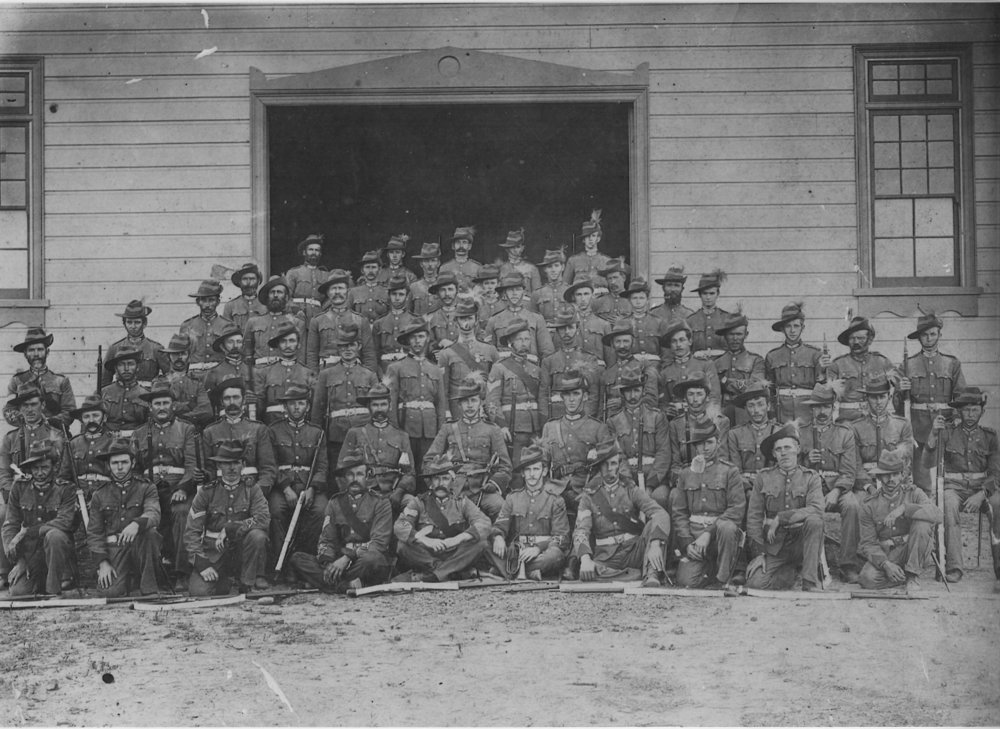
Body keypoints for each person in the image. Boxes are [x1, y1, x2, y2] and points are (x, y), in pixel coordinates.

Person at [289, 448, 392, 592]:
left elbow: (379, 543)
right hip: (341, 562)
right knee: (298, 558)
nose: (355, 479)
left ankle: (330, 584)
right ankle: (347, 585)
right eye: (350, 474)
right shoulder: (335, 503)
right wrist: (329, 563)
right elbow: (327, 540)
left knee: (373, 559)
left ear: (367, 477)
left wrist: (347, 558)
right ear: (344, 478)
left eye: (359, 474)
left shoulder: (381, 503)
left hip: (364, 560)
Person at [570, 439, 670, 586]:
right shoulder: (588, 495)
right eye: (605, 464)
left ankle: (651, 575)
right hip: (607, 557)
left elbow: (660, 514)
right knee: (588, 571)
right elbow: (581, 531)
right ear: (598, 466)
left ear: (619, 465)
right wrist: (585, 559)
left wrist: (655, 544)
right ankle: (635, 575)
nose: (610, 468)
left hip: (634, 551)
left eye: (613, 463)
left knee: (653, 527)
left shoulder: (630, 488)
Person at [924, 387, 999, 583]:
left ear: (982, 411)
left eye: (975, 409)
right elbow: (927, 462)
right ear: (959, 411)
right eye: (966, 410)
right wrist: (933, 433)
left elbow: (996, 472)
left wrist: (982, 494)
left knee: (998, 506)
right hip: (954, 487)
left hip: (982, 488)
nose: (970, 414)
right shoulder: (947, 433)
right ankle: (954, 567)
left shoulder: (990, 436)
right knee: (948, 506)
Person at [745, 423, 825, 592]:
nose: (784, 452)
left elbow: (817, 509)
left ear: (797, 448)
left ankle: (809, 580)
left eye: (788, 447)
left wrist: (781, 518)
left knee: (815, 521)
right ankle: (790, 574)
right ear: (774, 454)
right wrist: (759, 554)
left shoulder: (811, 477)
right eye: (779, 449)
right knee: (756, 584)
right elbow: (754, 517)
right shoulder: (763, 477)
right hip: (775, 543)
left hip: (801, 542)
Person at [135, 383, 198, 589]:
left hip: (176, 487)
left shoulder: (186, 429)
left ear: (173, 406)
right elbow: (135, 468)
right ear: (150, 407)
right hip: (149, 489)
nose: (161, 407)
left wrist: (183, 489)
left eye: (165, 403)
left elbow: (191, 465)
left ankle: (182, 573)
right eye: (157, 404)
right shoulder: (139, 433)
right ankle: (149, 574)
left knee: (181, 512)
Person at [184, 442, 270, 594]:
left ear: (243, 465)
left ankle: (246, 583)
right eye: (226, 463)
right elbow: (191, 532)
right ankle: (224, 581)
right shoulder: (206, 492)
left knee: (258, 536)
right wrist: (202, 565)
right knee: (199, 592)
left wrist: (231, 528)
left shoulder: (252, 489)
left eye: (236, 463)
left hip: (240, 552)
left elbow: (263, 518)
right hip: (213, 552)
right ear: (218, 466)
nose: (231, 468)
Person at [896, 311, 966, 494]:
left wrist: (957, 419)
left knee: (945, 480)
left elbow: (961, 397)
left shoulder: (952, 364)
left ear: (939, 335)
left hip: (947, 426)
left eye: (933, 334)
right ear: (919, 337)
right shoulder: (908, 365)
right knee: (923, 481)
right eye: (925, 335)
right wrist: (901, 390)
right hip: (919, 429)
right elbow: (898, 406)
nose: (929, 339)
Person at [798, 381, 861, 582]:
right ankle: (802, 562)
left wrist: (837, 491)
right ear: (811, 408)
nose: (822, 411)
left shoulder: (844, 433)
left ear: (833, 407)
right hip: (808, 488)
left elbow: (849, 471)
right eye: (817, 407)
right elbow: (789, 468)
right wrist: (806, 461)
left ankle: (847, 564)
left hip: (836, 488)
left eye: (826, 406)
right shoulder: (800, 432)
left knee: (852, 505)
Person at [425, 374, 511, 521]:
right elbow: (428, 461)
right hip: (452, 489)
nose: (470, 405)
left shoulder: (492, 430)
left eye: (473, 400)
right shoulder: (448, 429)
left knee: (501, 508)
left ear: (481, 402)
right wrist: (439, 483)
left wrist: (493, 483)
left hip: (482, 489)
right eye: (465, 401)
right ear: (459, 404)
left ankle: (498, 541)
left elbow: (505, 467)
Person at [393, 454, 490, 582]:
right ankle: (450, 572)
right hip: (427, 554)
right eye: (436, 479)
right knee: (402, 546)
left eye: (445, 479)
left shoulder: (462, 502)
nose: (440, 483)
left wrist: (457, 539)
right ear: (431, 482)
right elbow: (400, 525)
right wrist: (425, 540)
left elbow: (484, 523)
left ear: (452, 481)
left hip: (454, 553)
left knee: (481, 543)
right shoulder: (419, 502)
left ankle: (432, 576)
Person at [671, 420, 745, 588]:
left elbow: (736, 509)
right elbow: (679, 512)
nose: (704, 448)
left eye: (709, 442)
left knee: (727, 527)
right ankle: (710, 568)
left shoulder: (730, 472)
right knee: (687, 581)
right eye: (699, 444)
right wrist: (687, 542)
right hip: (695, 536)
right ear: (694, 447)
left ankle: (722, 578)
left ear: (718, 443)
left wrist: (708, 533)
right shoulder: (685, 473)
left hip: (719, 537)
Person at [541, 369, 613, 536]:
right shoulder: (550, 427)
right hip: (557, 489)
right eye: (567, 395)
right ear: (562, 397)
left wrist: (591, 490)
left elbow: (608, 467)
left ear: (585, 396)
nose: (571, 399)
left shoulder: (598, 428)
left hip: (585, 489)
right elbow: (542, 464)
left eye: (576, 393)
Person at [87, 439, 162, 597]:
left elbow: (153, 513)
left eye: (124, 462)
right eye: (115, 463)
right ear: (108, 465)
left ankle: (149, 588)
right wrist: (103, 563)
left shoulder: (146, 487)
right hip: (114, 551)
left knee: (151, 534)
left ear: (133, 463)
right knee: (109, 592)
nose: (119, 467)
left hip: (139, 547)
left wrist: (137, 524)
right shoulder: (99, 494)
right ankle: (127, 581)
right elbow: (94, 533)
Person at [858, 449, 942, 591]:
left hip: (913, 548)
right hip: (889, 552)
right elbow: (868, 543)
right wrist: (886, 565)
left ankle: (913, 574)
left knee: (923, 523)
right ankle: (901, 576)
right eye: (886, 475)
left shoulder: (914, 494)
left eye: (895, 474)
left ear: (902, 475)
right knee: (867, 579)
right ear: (878, 477)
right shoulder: (869, 505)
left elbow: (938, 515)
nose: (891, 480)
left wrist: (904, 508)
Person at [1, 440, 76, 597]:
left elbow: (64, 521)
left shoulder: (66, 489)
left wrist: (28, 532)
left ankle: (53, 591)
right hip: (29, 553)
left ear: (54, 467)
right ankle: (36, 581)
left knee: (54, 534)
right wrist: (18, 559)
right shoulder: (19, 487)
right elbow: (10, 524)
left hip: (56, 553)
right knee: (18, 592)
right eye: (36, 468)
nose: (40, 473)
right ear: (29, 468)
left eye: (45, 468)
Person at [268, 384, 328, 579]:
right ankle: (281, 565)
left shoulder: (317, 433)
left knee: (320, 511)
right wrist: (285, 488)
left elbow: (322, 467)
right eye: (292, 404)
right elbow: (271, 464)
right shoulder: (274, 431)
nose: (296, 408)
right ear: (285, 407)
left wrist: (312, 488)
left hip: (308, 486)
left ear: (308, 407)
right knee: (276, 511)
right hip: (282, 487)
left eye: (301, 403)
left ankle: (303, 562)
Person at [309, 323, 377, 487]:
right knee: (338, 477)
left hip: (363, 434)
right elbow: (318, 409)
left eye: (351, 345)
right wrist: (317, 436)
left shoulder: (369, 375)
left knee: (363, 476)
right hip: (336, 435)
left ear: (359, 346)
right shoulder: (326, 375)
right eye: (343, 346)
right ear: (338, 349)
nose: (347, 349)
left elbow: (376, 407)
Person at [487, 444, 569, 580]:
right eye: (528, 470)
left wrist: (537, 548)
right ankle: (529, 570)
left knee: (556, 556)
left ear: (544, 472)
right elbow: (499, 526)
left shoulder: (555, 500)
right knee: (486, 546)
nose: (532, 474)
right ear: (523, 474)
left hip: (544, 552)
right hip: (517, 550)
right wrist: (498, 537)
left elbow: (561, 538)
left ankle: (508, 569)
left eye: (536, 469)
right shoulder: (512, 498)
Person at [201, 378, 277, 512]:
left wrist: (256, 493)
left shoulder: (258, 429)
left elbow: (268, 469)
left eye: (236, 397)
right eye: (227, 398)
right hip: (220, 493)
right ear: (221, 402)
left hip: (252, 488)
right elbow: (209, 470)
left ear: (243, 400)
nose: (232, 403)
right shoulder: (210, 432)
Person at [341, 383, 416, 514]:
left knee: (411, 503)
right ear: (369, 407)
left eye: (383, 404)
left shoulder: (401, 436)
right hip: (364, 491)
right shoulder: (355, 433)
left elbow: (410, 473)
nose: (379, 409)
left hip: (392, 491)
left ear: (390, 406)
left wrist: (399, 492)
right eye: (375, 405)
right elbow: (342, 468)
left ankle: (404, 534)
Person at [606, 361, 671, 509]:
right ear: (622, 393)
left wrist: (649, 486)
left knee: (659, 498)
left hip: (654, 479)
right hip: (627, 478)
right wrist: (629, 484)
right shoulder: (613, 421)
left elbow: (663, 453)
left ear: (642, 390)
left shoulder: (657, 417)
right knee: (621, 501)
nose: (632, 395)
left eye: (636, 390)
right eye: (628, 391)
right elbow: (617, 456)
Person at [386, 322, 447, 475]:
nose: (417, 341)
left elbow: (440, 404)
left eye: (421, 336)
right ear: (407, 341)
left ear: (427, 338)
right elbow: (391, 403)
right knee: (407, 470)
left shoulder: (435, 370)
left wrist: (441, 432)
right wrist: (395, 431)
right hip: (406, 427)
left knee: (428, 469)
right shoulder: (396, 368)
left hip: (430, 428)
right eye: (413, 338)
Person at [485, 319, 542, 467]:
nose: (524, 343)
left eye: (527, 339)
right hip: (513, 428)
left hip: (535, 427)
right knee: (516, 467)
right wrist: (501, 425)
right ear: (511, 342)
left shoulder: (535, 368)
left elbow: (542, 399)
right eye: (520, 339)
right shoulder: (500, 368)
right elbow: (492, 401)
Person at [436, 296, 499, 420]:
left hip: (484, 409)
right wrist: (447, 413)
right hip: (458, 411)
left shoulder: (490, 350)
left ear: (476, 321)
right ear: (456, 322)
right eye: (462, 318)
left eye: (470, 318)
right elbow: (443, 390)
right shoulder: (446, 354)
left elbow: (496, 386)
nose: (466, 322)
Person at [825, 316, 897, 424]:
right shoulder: (837, 364)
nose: (856, 342)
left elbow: (899, 390)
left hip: (875, 420)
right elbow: (826, 396)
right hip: (847, 421)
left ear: (870, 340)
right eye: (852, 338)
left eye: (861, 338)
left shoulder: (883, 362)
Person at [764, 301, 827, 425]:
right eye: (788, 326)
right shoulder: (772, 356)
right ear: (782, 329)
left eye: (796, 326)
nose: (792, 330)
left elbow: (822, 387)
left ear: (802, 328)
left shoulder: (815, 354)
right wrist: (771, 414)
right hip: (782, 412)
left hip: (807, 412)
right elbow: (769, 391)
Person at [539, 304, 604, 421]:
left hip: (582, 417)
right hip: (556, 417)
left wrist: (586, 418)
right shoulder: (548, 361)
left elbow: (593, 395)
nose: (566, 332)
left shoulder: (588, 359)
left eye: (570, 327)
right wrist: (546, 422)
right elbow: (543, 395)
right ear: (557, 330)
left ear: (577, 328)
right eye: (562, 328)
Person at [307, 269, 377, 372]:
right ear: (327, 293)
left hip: (355, 374)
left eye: (340, 288)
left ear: (348, 291)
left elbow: (369, 355)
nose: (337, 292)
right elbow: (312, 355)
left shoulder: (360, 320)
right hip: (327, 374)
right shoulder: (317, 321)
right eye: (333, 289)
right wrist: (314, 381)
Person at [850, 379, 914, 493]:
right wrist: (869, 487)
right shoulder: (856, 427)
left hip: (895, 483)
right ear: (867, 399)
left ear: (889, 398)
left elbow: (906, 462)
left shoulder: (902, 425)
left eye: (882, 397)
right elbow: (856, 464)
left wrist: (895, 484)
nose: (878, 402)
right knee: (858, 507)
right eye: (874, 397)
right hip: (867, 484)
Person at [6, 327, 76, 428]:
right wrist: (28, 421)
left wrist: (48, 422)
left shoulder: (61, 381)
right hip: (27, 434)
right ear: (25, 354)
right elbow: (8, 410)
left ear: (47, 352)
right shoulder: (17, 381)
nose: (36, 354)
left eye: (40, 349)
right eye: (31, 350)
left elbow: (70, 411)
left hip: (54, 434)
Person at [667, 375, 731, 484]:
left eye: (699, 394)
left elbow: (722, 457)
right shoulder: (676, 424)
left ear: (707, 397)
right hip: (687, 477)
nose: (695, 400)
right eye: (690, 394)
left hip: (712, 477)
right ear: (685, 398)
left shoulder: (720, 422)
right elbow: (676, 464)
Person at [252, 323, 316, 426]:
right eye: (283, 341)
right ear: (278, 345)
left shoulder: (308, 373)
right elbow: (259, 407)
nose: (287, 345)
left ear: (299, 344)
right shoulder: (264, 372)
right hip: (271, 425)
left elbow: (313, 408)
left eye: (292, 341)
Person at [724, 380, 781, 496]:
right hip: (744, 490)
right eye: (751, 406)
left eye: (760, 404)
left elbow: (782, 469)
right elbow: (736, 471)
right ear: (745, 408)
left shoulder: (779, 432)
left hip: (773, 490)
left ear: (768, 406)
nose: (756, 410)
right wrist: (748, 490)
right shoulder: (735, 434)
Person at [657, 320, 721, 421]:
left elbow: (714, 396)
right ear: (670, 345)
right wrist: (666, 410)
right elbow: (663, 403)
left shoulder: (705, 365)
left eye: (682, 340)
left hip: (703, 419)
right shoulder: (665, 372)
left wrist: (708, 419)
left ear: (690, 341)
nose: (678, 345)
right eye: (674, 341)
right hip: (676, 421)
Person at [484, 272, 554, 362]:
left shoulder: (536, 318)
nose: (514, 293)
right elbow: (489, 353)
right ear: (505, 293)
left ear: (524, 292)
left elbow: (547, 352)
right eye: (510, 290)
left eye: (518, 289)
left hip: (531, 368)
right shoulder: (494, 320)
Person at [713, 311, 765, 426]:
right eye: (731, 334)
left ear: (746, 335)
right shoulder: (716, 362)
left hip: (747, 413)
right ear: (725, 336)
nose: (735, 338)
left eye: (739, 334)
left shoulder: (756, 360)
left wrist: (725, 381)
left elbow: (755, 386)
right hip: (723, 412)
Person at [243, 276, 307, 368]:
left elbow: (300, 355)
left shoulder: (296, 323)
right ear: (267, 296)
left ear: (286, 297)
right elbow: (246, 353)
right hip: (259, 372)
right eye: (272, 292)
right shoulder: (253, 322)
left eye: (279, 292)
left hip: (284, 372)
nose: (276, 295)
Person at [599, 321, 658, 419]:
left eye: (626, 341)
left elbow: (651, 400)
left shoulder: (644, 367)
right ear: (612, 345)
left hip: (638, 420)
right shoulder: (607, 373)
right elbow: (601, 407)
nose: (622, 346)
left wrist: (623, 402)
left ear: (633, 343)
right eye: (618, 342)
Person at [178, 280, 234, 381]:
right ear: (198, 302)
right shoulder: (187, 325)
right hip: (194, 376)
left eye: (211, 300)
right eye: (203, 300)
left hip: (219, 376)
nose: (207, 305)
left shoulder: (227, 325)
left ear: (218, 301)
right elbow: (182, 354)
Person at [101, 299, 164, 388]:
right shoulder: (115, 348)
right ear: (124, 324)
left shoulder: (155, 348)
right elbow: (104, 380)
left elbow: (170, 375)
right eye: (129, 322)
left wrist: (156, 384)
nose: (133, 326)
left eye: (137, 322)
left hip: (147, 395)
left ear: (144, 324)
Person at [159, 333, 214, 429]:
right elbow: (160, 410)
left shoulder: (197, 382)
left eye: (183, 353)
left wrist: (178, 415)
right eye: (175, 353)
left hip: (193, 432)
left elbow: (206, 412)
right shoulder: (160, 382)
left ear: (189, 356)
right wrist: (189, 406)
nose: (179, 357)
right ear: (169, 356)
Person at [372, 274, 422, 375]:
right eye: (394, 294)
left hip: (408, 369)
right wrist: (380, 374)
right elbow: (374, 353)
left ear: (407, 296)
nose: (397, 298)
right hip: (386, 369)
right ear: (389, 295)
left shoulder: (415, 321)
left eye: (401, 294)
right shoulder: (379, 323)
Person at [100, 344, 151, 436]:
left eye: (130, 364)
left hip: (136, 442)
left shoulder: (146, 395)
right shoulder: (103, 393)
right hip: (107, 444)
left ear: (137, 367)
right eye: (121, 364)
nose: (126, 369)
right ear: (115, 368)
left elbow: (150, 426)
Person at [616, 277, 667, 366]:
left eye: (641, 298)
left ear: (647, 300)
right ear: (629, 300)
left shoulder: (658, 322)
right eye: (634, 298)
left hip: (654, 366)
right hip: (629, 366)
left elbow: (666, 351)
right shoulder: (623, 323)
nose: (638, 302)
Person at [202, 323, 253, 411]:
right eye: (230, 342)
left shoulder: (252, 369)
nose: (235, 346)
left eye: (239, 342)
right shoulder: (214, 372)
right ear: (222, 346)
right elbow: (210, 402)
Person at [561, 278, 611, 362]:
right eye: (579, 295)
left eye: (586, 294)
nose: (583, 299)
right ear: (573, 297)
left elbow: (610, 358)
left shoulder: (603, 324)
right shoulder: (565, 324)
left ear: (592, 296)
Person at [285, 233, 328, 324]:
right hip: (298, 316)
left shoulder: (325, 275)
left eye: (317, 250)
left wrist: (323, 311)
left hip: (318, 318)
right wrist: (296, 310)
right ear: (304, 252)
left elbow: (330, 298)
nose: (314, 253)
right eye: (311, 250)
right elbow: (286, 297)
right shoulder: (294, 273)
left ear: (320, 254)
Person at [686, 270, 730, 357]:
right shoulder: (690, 320)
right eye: (705, 293)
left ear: (718, 294)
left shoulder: (727, 318)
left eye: (712, 293)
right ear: (700, 295)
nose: (708, 297)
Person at [563, 209, 612, 287]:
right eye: (587, 236)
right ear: (583, 240)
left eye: (593, 236)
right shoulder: (573, 260)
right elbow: (565, 285)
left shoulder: (606, 261)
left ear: (598, 239)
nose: (590, 239)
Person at [528, 248, 568, 328]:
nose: (553, 270)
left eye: (556, 266)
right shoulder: (537, 294)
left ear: (562, 267)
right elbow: (533, 322)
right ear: (545, 269)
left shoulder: (570, 290)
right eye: (549, 267)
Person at [347, 250, 390, 323]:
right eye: (367, 267)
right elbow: (347, 315)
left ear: (379, 270)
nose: (370, 271)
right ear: (362, 270)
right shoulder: (353, 292)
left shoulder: (387, 291)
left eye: (373, 267)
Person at [222, 262, 267, 331]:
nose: (248, 283)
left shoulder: (266, 304)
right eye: (245, 279)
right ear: (239, 282)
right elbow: (226, 332)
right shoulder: (230, 306)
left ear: (258, 281)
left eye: (252, 279)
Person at [425, 272, 462, 350]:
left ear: (457, 291)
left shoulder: (466, 314)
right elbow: (427, 345)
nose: (447, 294)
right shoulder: (431, 318)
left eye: (450, 289)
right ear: (438, 293)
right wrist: (438, 345)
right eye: (443, 290)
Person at [498, 227, 541, 293]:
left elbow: (537, 293)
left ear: (522, 248)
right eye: (512, 247)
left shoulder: (531, 268)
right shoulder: (501, 268)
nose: (515, 250)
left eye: (518, 247)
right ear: (507, 249)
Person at [440, 225, 482, 290]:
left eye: (464, 242)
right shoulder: (444, 268)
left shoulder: (477, 268)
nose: (461, 246)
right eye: (458, 242)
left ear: (469, 246)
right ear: (453, 246)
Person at [408, 242, 444, 317]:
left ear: (438, 263)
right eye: (426, 261)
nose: (430, 264)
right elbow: (408, 314)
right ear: (421, 264)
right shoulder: (414, 287)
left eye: (433, 260)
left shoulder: (443, 286)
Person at [592, 258, 631, 323]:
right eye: (609, 278)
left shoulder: (632, 300)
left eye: (615, 277)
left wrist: (624, 322)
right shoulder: (598, 302)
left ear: (623, 278)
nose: (612, 282)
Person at [472, 264, 506, 337]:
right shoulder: (477, 303)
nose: (490, 287)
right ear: (481, 285)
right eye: (486, 283)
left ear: (498, 284)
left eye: (492, 283)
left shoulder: (504, 302)